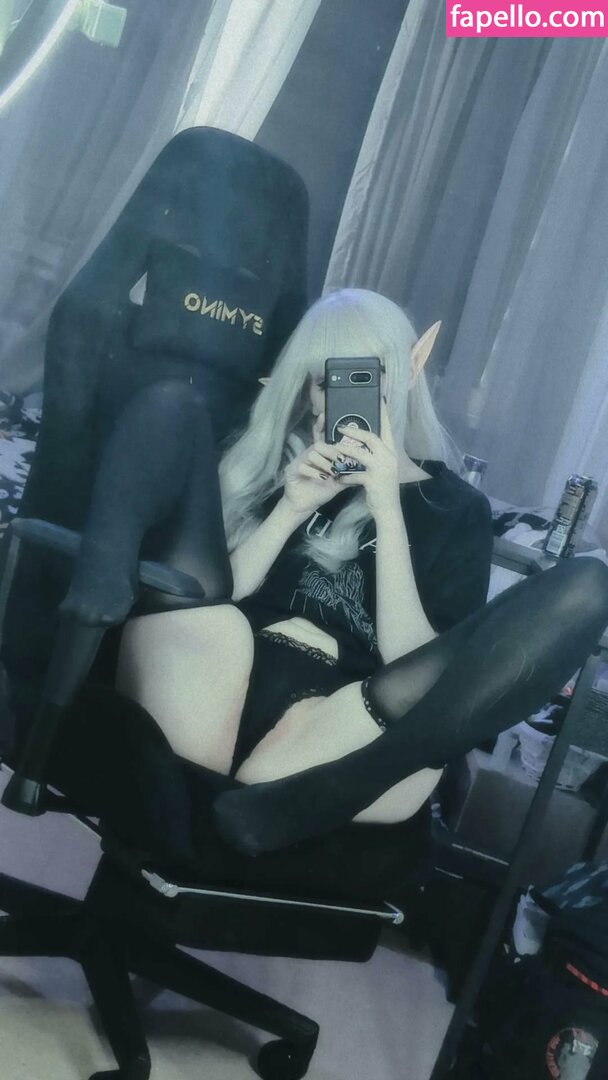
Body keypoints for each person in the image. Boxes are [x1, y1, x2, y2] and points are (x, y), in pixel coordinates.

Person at [115, 288, 608, 857]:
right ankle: (279, 800)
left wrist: (387, 508)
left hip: (337, 724)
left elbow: (418, 669)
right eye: (323, 380)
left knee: (587, 585)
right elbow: (203, 596)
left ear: (406, 375)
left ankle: (335, 789)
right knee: (213, 619)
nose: (337, 398)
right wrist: (290, 508)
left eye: (362, 378)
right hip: (214, 676)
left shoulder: (455, 507)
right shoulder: (271, 463)